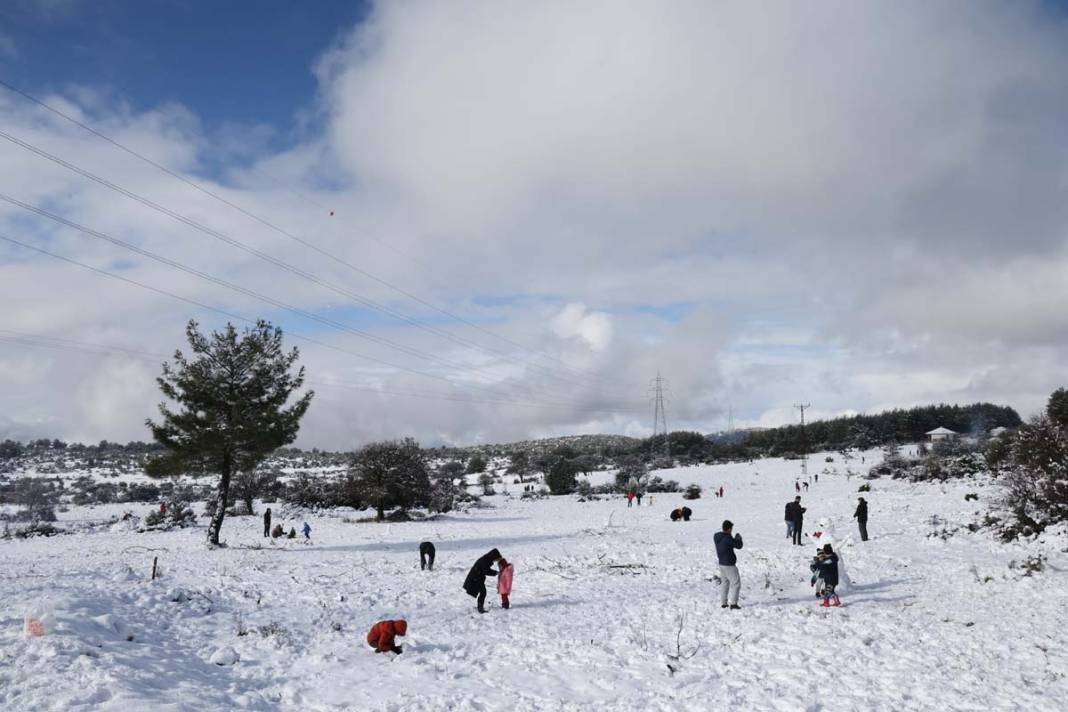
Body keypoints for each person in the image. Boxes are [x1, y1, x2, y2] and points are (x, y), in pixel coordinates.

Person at [714, 520, 743, 609]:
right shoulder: (727, 538)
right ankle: (733, 604)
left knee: (725, 584)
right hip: (729, 565)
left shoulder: (717, 536)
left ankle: (724, 603)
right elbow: (739, 546)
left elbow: (728, 542)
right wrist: (739, 539)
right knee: (736, 583)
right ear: (729, 529)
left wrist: (733, 538)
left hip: (721, 564)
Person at [463, 548, 501, 613]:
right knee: (483, 592)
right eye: (496, 559)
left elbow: (485, 570)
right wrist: (496, 573)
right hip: (475, 578)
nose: (495, 560)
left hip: (477, 578)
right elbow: (486, 571)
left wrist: (496, 572)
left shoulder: (486, 559)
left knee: (483, 592)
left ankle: (480, 607)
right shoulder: (485, 560)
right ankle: (480, 608)